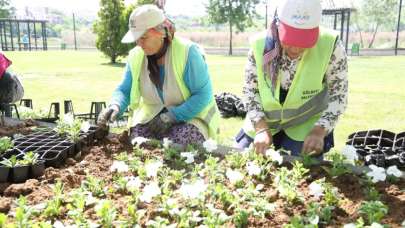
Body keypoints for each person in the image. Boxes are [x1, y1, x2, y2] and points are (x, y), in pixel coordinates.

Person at [235, 0, 348, 157]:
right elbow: (250, 90)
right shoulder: (259, 44)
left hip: (307, 124)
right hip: (264, 120)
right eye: (290, 40)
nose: (296, 48)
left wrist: (319, 130)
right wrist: (261, 128)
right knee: (242, 159)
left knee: (301, 166)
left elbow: (339, 95)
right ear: (278, 26)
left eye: (304, 41)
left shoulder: (331, 45)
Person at [98, 4, 219, 146]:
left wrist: (172, 116)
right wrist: (115, 106)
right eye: (137, 38)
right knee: (138, 143)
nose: (139, 44)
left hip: (191, 117)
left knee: (178, 144)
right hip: (154, 119)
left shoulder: (187, 53)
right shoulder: (136, 56)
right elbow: (125, 90)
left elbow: (203, 94)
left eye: (143, 37)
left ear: (161, 32)